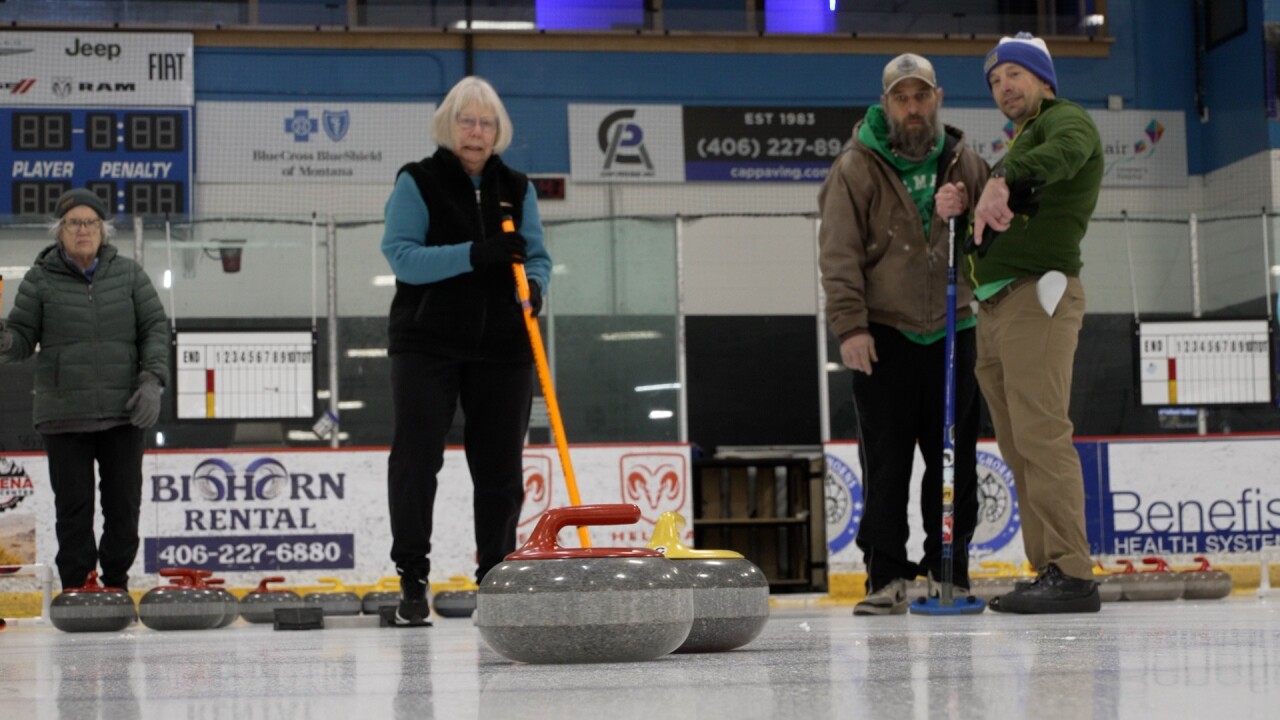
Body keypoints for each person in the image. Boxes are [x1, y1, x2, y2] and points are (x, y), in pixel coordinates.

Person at [818, 53, 989, 615]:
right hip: (885, 336)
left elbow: (991, 245)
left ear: (937, 98)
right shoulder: (855, 166)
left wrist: (963, 215)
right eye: (901, 97)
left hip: (954, 328)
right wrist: (849, 327)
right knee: (887, 463)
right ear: (886, 103)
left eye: (921, 96)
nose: (912, 108)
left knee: (954, 461)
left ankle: (950, 568)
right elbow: (839, 256)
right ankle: (885, 575)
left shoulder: (965, 162)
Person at [380, 76, 552, 625]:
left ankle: (496, 578)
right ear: (447, 126)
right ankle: (412, 578)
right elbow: (403, 258)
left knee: (500, 468)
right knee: (417, 460)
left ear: (498, 131)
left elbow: (538, 257)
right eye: (466, 122)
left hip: (503, 344)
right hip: (427, 343)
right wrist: (477, 255)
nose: (476, 133)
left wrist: (537, 288)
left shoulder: (517, 188)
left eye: (486, 123)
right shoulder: (419, 181)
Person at [968, 33, 1104, 614]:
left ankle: (1072, 572)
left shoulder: (1065, 121)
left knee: (1042, 436)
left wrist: (1001, 177)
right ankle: (1048, 565)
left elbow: (1067, 152)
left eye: (1014, 75)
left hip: (1037, 299)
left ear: (1044, 79)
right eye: (996, 82)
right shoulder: (1021, 142)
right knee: (1019, 445)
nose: (1004, 87)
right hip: (998, 307)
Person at [0, 189, 169, 593]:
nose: (83, 230)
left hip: (123, 412)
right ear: (59, 231)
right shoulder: (39, 281)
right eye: (74, 222)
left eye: (90, 222)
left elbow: (155, 329)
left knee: (123, 509)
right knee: (73, 511)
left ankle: (115, 584)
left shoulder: (129, 275)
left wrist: (152, 381)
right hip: (63, 415)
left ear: (103, 230)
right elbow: (21, 339)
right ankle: (77, 589)